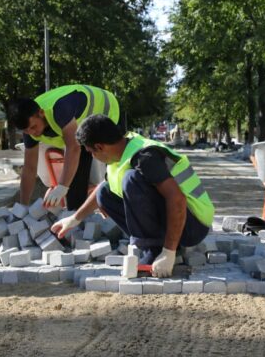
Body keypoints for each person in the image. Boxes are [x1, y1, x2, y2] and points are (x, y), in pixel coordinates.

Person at [51, 114, 214, 278]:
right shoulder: (122, 150)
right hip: (180, 218)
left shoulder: (145, 157)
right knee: (104, 193)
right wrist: (75, 218)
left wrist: (168, 252)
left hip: (194, 225)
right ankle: (159, 245)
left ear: (100, 147)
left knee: (131, 180)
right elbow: (103, 188)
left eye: (90, 152)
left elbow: (177, 199)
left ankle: (156, 249)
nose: (93, 157)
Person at [11, 85, 120, 210]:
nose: (32, 133)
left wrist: (62, 187)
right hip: (83, 129)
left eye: (34, 127)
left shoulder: (60, 109)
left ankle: (118, 209)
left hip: (107, 110)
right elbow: (29, 168)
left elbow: (73, 148)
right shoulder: (30, 128)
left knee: (114, 168)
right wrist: (22, 207)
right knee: (74, 185)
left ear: (41, 113)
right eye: (26, 130)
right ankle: (77, 221)